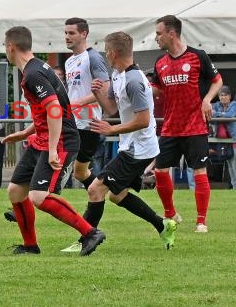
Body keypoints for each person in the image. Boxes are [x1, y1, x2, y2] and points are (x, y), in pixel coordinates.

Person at [1, 26, 105, 256]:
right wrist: (26, 133)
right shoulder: (36, 68)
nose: (5, 52)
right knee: (16, 191)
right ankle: (30, 245)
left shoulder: (33, 74)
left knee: (38, 196)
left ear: (11, 47)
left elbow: (54, 109)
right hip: (43, 138)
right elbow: (46, 110)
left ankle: (90, 233)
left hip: (60, 141)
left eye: (4, 47)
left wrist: (51, 149)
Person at [82, 31, 177, 251]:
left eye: (106, 51)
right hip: (131, 146)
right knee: (116, 195)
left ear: (113, 53)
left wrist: (111, 128)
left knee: (95, 189)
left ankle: (86, 237)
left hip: (139, 149)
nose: (105, 55)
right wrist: (98, 95)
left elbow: (143, 120)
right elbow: (113, 109)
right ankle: (162, 225)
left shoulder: (134, 80)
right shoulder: (117, 74)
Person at [151, 14, 223, 233]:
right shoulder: (160, 63)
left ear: (171, 33)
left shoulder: (197, 56)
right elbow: (156, 88)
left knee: (199, 171)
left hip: (195, 126)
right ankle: (170, 212)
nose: (156, 38)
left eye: (159, 33)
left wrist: (207, 100)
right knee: (160, 171)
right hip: (171, 126)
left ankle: (201, 221)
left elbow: (217, 81)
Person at [63, 17, 110, 190]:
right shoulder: (69, 61)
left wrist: (76, 103)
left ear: (84, 34)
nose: (67, 37)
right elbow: (74, 91)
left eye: (72, 33)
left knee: (59, 164)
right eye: (65, 33)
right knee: (79, 173)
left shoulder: (93, 57)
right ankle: (101, 192)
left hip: (88, 124)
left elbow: (105, 90)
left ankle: (36, 198)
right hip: (72, 122)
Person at [211, 85, 236, 190]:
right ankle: (234, 187)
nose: (223, 97)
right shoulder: (217, 105)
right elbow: (211, 114)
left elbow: (231, 115)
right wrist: (222, 114)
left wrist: (218, 114)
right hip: (224, 140)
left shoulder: (235, 104)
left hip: (235, 138)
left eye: (225, 95)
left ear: (230, 96)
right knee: (229, 164)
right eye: (221, 95)